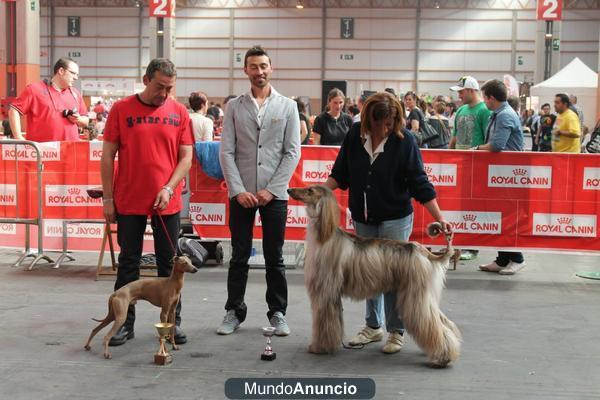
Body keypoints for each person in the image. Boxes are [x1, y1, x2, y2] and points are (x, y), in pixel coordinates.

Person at [324, 91, 452, 354]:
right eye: (379, 124)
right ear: (368, 120)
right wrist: (321, 193)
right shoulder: (354, 135)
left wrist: (440, 218)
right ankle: (373, 327)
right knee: (367, 275)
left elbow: (419, 182)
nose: (385, 129)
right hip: (364, 216)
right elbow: (340, 173)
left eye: (389, 123)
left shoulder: (404, 142)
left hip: (395, 217)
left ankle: (396, 331)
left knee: (395, 276)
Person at [100, 58, 194, 347]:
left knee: (171, 263)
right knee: (129, 262)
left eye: (169, 88)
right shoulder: (121, 109)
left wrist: (168, 187)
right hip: (129, 198)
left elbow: (186, 158)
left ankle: (170, 324)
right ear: (145, 79)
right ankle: (124, 324)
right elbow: (107, 156)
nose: (163, 94)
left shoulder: (179, 112)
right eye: (158, 87)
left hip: (168, 200)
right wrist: (107, 198)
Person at [217, 46, 300, 336]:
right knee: (239, 255)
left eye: (263, 66)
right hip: (241, 195)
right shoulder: (235, 107)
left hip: (274, 195)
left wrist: (272, 189)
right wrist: (238, 190)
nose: (259, 71)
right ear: (246, 71)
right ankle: (233, 311)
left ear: (271, 68)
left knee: (274, 257)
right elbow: (226, 152)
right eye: (253, 67)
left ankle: (278, 312)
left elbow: (292, 153)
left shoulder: (288, 106)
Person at [476, 79, 526, 275]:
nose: (484, 101)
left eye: (485, 97)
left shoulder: (504, 116)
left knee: (509, 217)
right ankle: (503, 258)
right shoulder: (496, 114)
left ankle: (517, 258)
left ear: (491, 98)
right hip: (499, 174)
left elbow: (496, 145)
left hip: (509, 175)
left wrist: (475, 149)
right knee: (500, 216)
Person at [8, 57, 89, 142]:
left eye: (77, 75)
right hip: (42, 151)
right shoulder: (34, 89)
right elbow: (14, 110)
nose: (76, 78)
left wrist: (78, 119)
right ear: (61, 71)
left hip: (71, 150)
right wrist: (18, 137)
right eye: (73, 73)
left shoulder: (76, 94)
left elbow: (86, 120)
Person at [449, 75, 491, 150]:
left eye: (461, 92)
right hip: (459, 158)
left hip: (476, 159)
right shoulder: (460, 110)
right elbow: (454, 137)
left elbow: (489, 140)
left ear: (471, 90)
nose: (459, 96)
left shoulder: (485, 110)